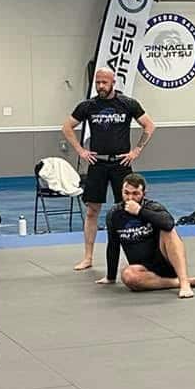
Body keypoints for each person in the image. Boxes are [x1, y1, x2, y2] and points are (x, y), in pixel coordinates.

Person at [63, 67, 154, 272]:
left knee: (128, 209)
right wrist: (80, 150)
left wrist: (136, 150)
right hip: (97, 164)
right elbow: (67, 127)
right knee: (92, 210)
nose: (101, 86)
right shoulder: (88, 106)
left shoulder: (127, 104)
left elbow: (149, 126)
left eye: (104, 82)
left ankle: (136, 256)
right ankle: (88, 257)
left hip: (121, 164)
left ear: (114, 82)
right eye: (98, 83)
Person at [98, 173, 195, 298]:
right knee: (128, 275)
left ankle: (185, 283)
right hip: (144, 271)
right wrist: (110, 277)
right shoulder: (114, 214)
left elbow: (169, 223)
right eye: (126, 193)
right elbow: (113, 245)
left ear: (144, 193)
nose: (130, 197)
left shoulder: (153, 207)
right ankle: (176, 283)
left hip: (166, 263)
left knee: (168, 231)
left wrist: (139, 211)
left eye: (135, 193)